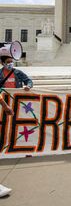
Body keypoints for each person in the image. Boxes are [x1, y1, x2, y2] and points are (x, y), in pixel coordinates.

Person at [0, 55, 33, 198]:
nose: (10, 64)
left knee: (18, 126)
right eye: (7, 62)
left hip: (16, 103)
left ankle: (19, 147)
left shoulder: (18, 72)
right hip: (4, 105)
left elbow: (29, 81)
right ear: (2, 63)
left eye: (11, 62)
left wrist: (28, 86)